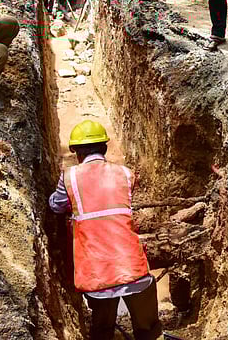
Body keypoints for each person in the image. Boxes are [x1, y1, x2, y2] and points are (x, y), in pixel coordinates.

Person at [49, 120, 162, 340]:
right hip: (132, 269)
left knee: (101, 331)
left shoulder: (70, 177)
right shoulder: (126, 174)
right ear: (105, 147)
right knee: (149, 330)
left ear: (75, 152)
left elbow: (56, 205)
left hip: (96, 276)